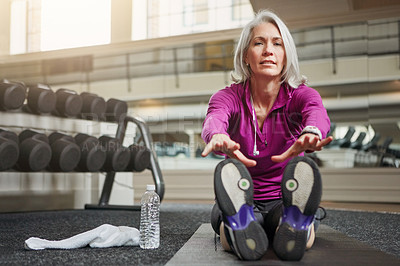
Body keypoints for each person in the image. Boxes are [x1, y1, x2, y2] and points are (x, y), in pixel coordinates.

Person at [201, 9, 333, 261]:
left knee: (286, 227)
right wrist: (217, 135)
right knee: (226, 226)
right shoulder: (227, 97)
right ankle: (240, 219)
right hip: (239, 193)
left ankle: (293, 219)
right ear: (245, 56)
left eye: (277, 43)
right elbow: (215, 117)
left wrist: (312, 131)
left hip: (282, 196)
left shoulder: (300, 95)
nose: (268, 50)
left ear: (286, 56)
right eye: (258, 43)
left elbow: (315, 111)